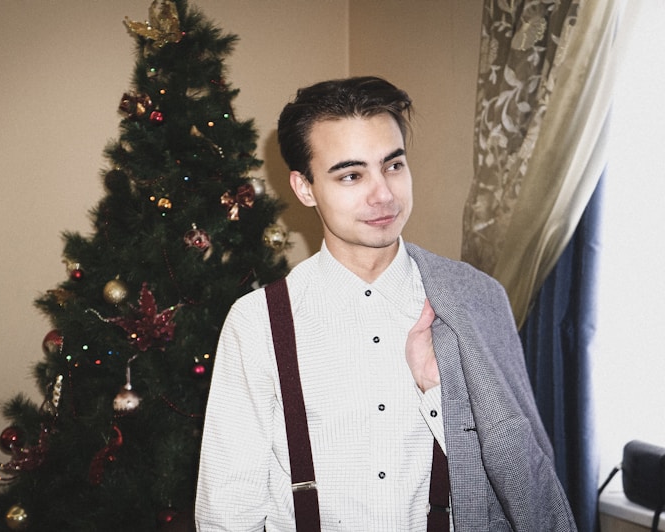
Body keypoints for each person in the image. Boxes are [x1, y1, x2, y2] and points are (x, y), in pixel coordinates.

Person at [194, 76, 576, 531]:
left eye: (393, 166)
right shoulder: (257, 323)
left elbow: (524, 482)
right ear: (305, 188)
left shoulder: (476, 300)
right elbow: (227, 512)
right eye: (351, 175)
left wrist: (438, 392)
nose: (383, 194)